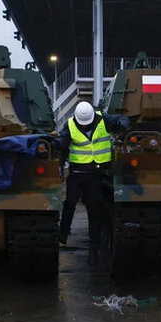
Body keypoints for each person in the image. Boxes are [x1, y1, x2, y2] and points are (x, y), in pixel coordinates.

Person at [57, 100, 129, 263]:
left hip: (96, 173)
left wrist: (122, 125)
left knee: (94, 206)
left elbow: (122, 120)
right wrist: (60, 164)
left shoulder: (103, 119)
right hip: (77, 173)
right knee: (69, 204)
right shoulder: (70, 125)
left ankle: (94, 241)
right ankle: (63, 235)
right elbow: (63, 145)